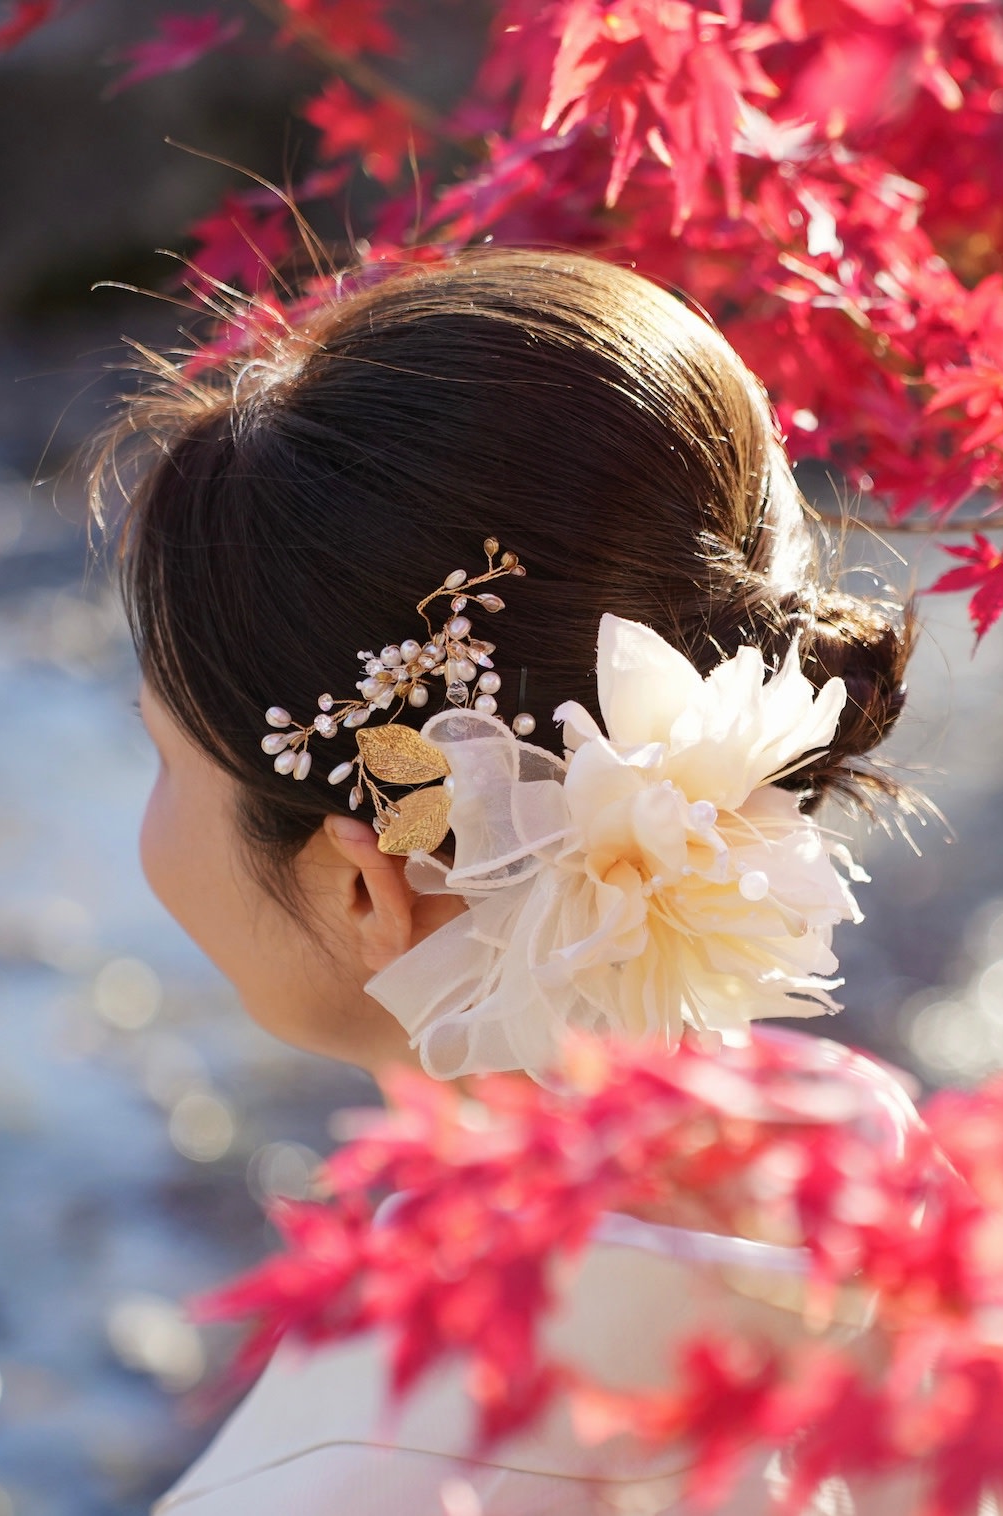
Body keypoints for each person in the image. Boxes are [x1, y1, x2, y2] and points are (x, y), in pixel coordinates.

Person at [101, 249, 923, 1514]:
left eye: (161, 755)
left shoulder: (351, 1476)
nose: (145, 823)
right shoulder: (877, 1170)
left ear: (364, 886)